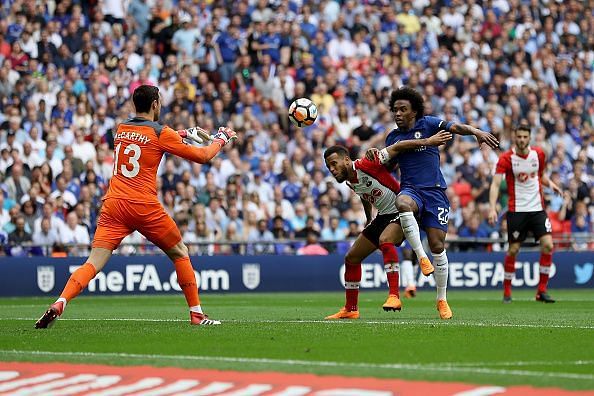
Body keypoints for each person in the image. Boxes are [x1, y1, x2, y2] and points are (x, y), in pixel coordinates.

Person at [35, 85, 237, 328]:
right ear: (154, 105)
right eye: (160, 102)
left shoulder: (121, 129)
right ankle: (196, 315)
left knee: (92, 262)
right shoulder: (161, 132)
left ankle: (60, 301)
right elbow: (204, 156)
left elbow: (145, 138)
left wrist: (184, 132)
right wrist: (221, 138)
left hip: (113, 204)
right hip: (142, 204)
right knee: (180, 253)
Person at [367, 87, 499, 319]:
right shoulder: (393, 137)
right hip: (411, 190)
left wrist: (476, 131)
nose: (397, 113)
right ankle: (421, 256)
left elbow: (455, 127)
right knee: (403, 202)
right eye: (395, 109)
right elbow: (389, 168)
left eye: (403, 109)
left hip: (436, 193)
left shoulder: (428, 123)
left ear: (414, 111)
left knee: (438, 245)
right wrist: (376, 158)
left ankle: (442, 299)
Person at [324, 133, 450, 319]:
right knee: (352, 258)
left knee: (386, 240)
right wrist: (369, 218)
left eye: (334, 164)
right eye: (328, 167)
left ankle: (394, 296)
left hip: (403, 210)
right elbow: (364, 194)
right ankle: (351, 309)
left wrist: (427, 142)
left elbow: (397, 147)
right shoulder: (350, 179)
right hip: (383, 215)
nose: (332, 169)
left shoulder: (366, 164)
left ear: (347, 159)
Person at [488, 123, 562, 303]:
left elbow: (540, 175)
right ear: (514, 137)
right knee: (513, 250)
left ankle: (541, 291)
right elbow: (496, 184)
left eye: (524, 137)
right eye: (519, 136)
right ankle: (507, 291)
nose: (521, 140)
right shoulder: (506, 158)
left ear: (529, 138)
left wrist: (550, 184)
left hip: (537, 208)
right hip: (517, 210)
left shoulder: (539, 154)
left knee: (548, 246)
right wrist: (492, 207)